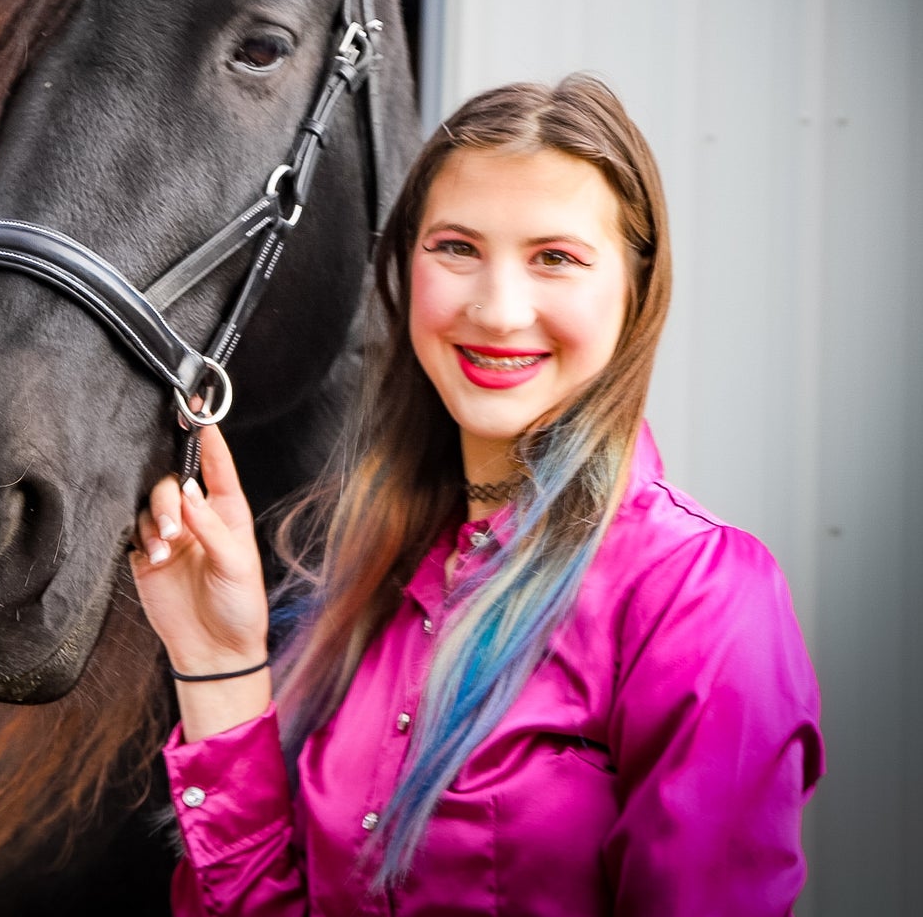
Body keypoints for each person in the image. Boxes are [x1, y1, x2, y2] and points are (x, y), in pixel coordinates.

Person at [130, 74, 824, 916]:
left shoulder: (700, 598)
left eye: (556, 259)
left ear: (635, 290)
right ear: (404, 271)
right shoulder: (369, 581)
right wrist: (215, 657)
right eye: (456, 248)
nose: (497, 311)